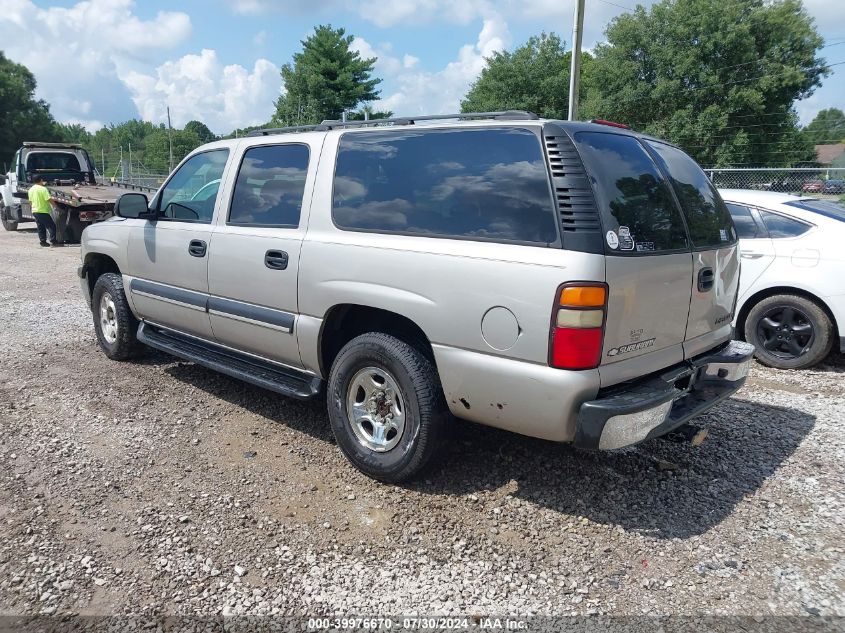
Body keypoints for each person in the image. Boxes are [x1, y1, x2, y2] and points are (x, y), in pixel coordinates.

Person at [27, 175, 59, 247]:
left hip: (35, 211)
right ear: (41, 180)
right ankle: (53, 241)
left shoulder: (31, 189)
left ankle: (43, 242)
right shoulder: (43, 189)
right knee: (51, 226)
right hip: (42, 211)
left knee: (40, 226)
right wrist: (56, 206)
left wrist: (32, 209)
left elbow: (30, 201)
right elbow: (49, 199)